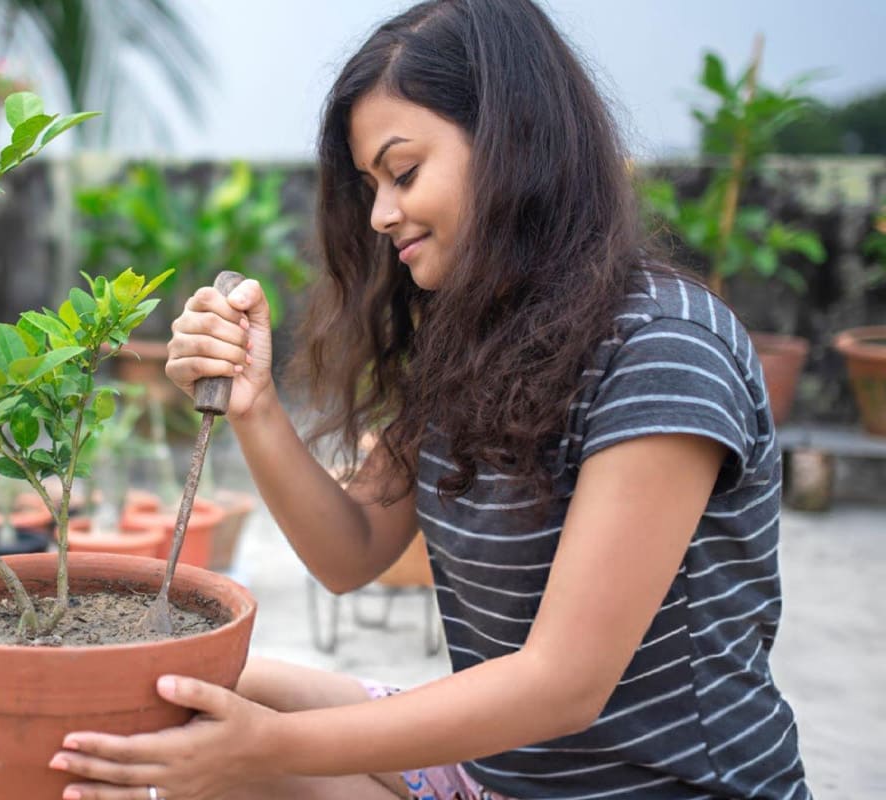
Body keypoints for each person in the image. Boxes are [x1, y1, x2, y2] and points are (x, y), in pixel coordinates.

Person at [45, 0, 811, 798]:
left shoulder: (664, 347)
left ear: (515, 142)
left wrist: (269, 749)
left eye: (404, 173)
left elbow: (564, 684)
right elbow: (351, 553)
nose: (381, 215)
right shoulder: (477, 340)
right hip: (501, 774)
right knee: (199, 693)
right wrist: (255, 404)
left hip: (659, 786)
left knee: (237, 748)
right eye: (372, 185)